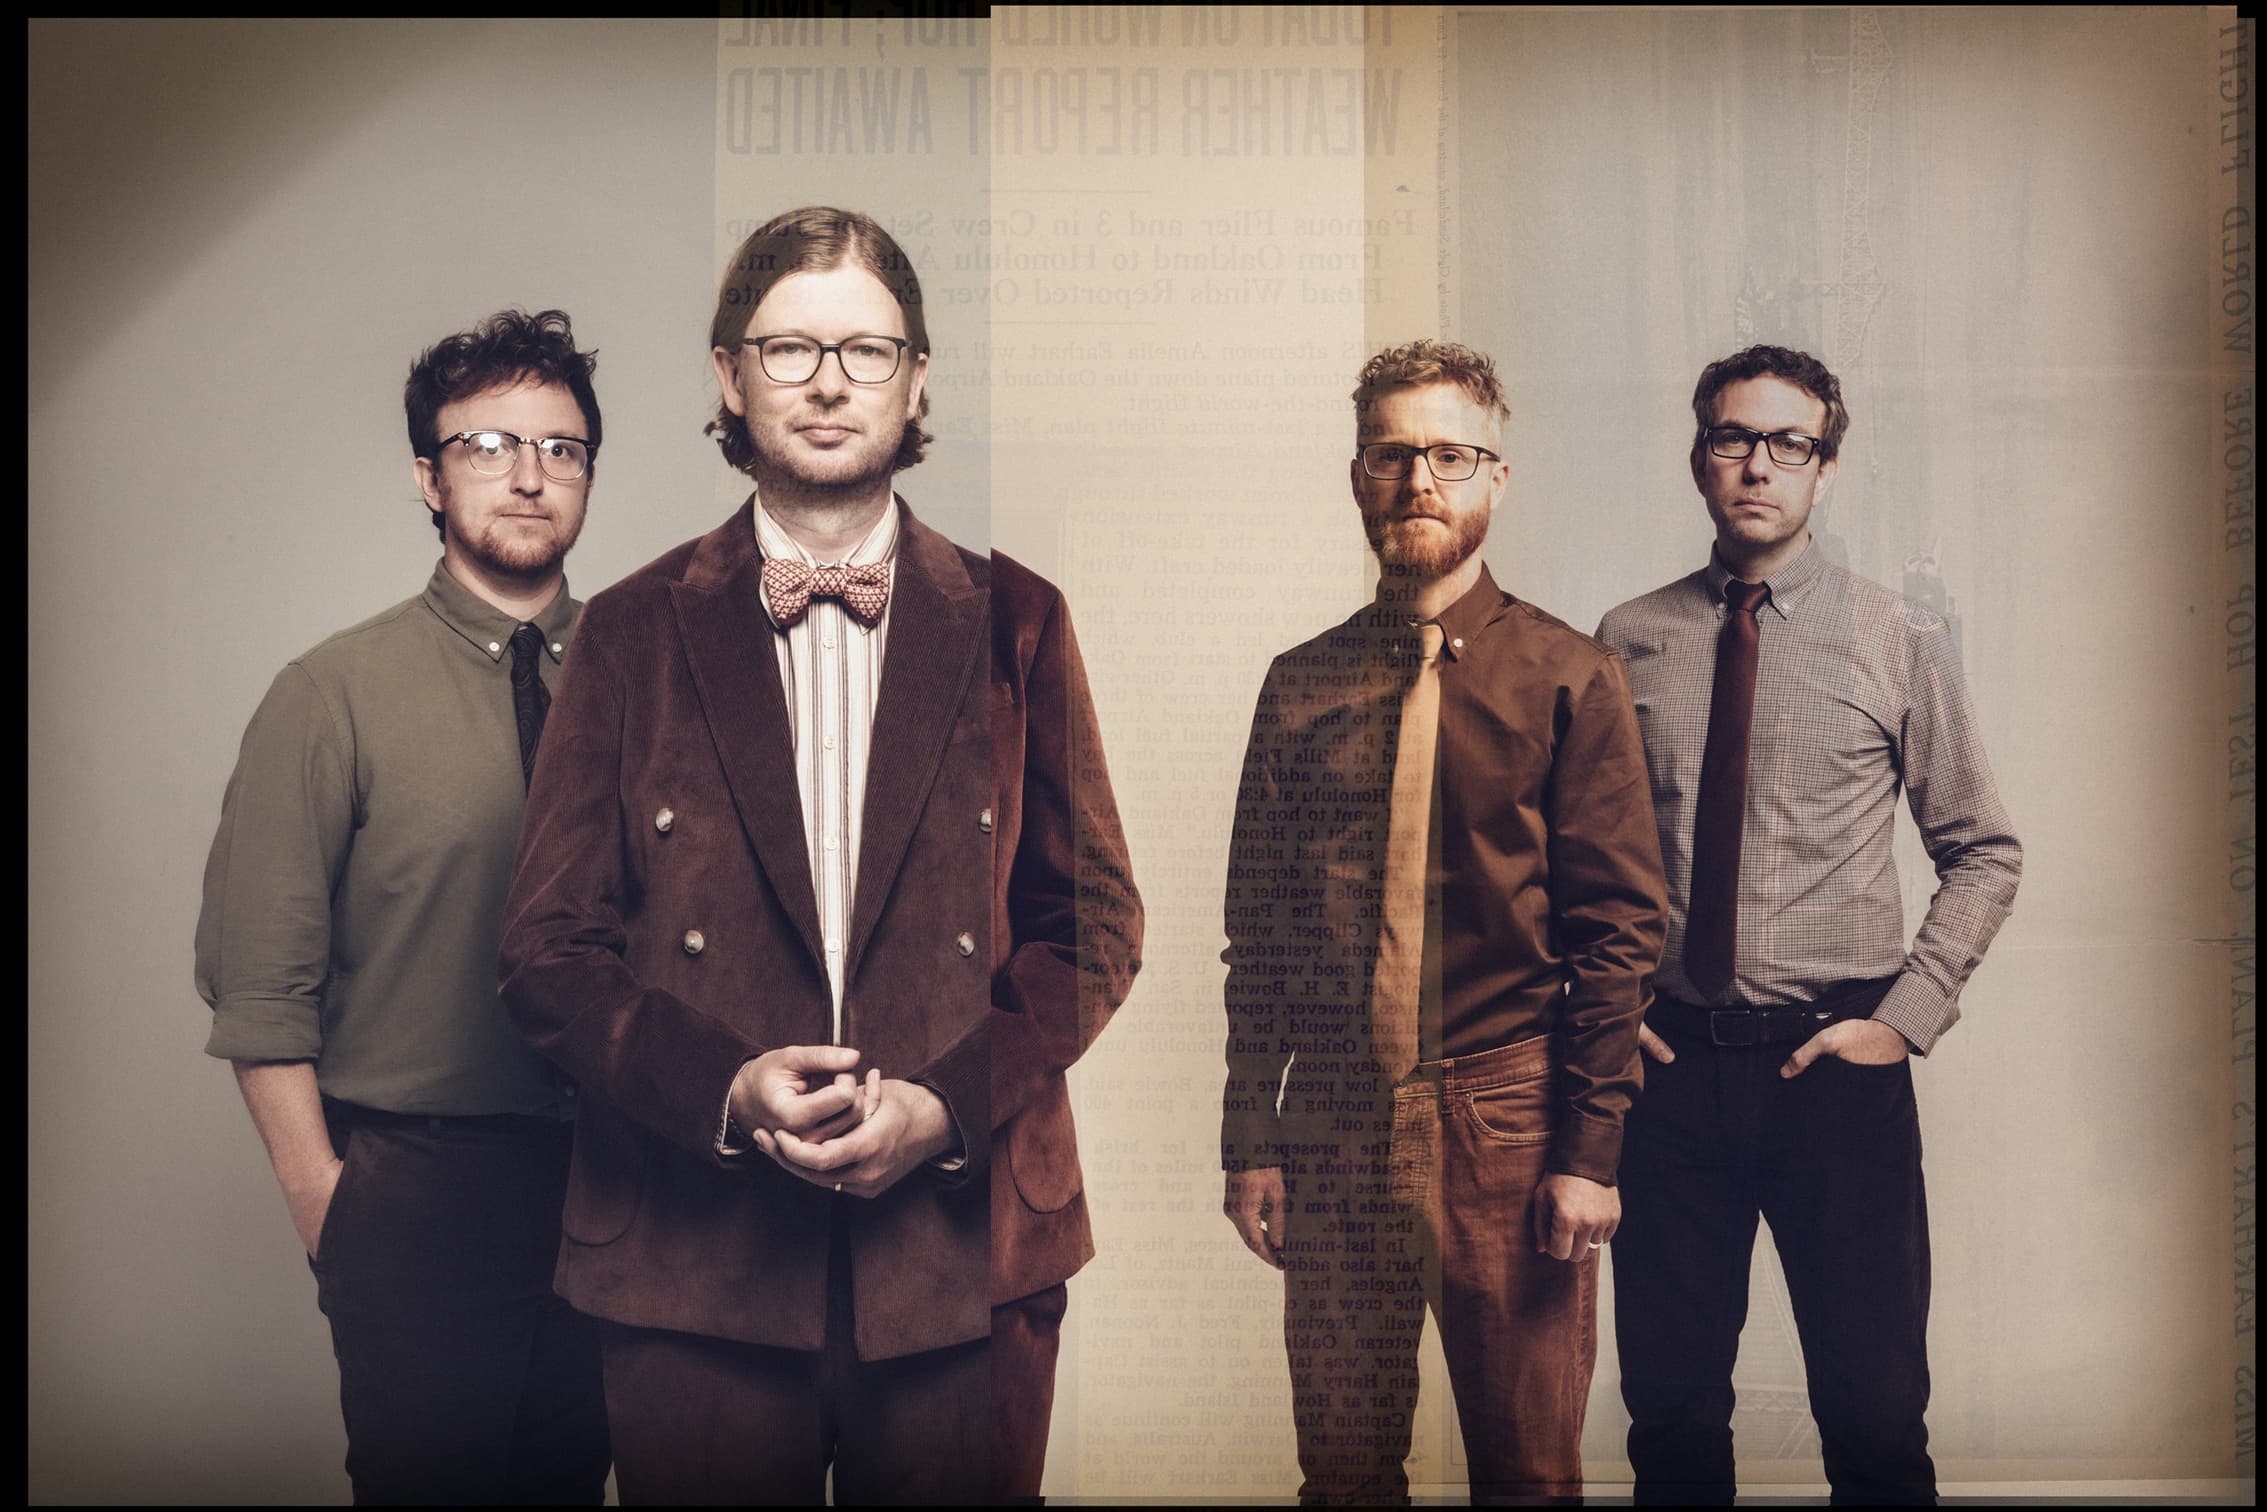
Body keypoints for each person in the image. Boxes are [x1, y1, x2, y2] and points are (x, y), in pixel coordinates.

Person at [499, 205, 1140, 1504]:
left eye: (865, 347)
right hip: (691, 1262)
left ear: (915, 382)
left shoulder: (1018, 618)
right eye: (790, 349)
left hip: (965, 1257)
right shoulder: (626, 631)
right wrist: (723, 1091)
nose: (831, 381)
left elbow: (1091, 930)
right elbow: (545, 950)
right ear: (728, 378)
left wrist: (944, 1105)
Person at [1220, 339, 1667, 1504]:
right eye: (1391, 455)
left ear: (1494, 479)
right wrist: (1250, 1139)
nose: (1419, 480)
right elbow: (1257, 934)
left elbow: (1619, 938)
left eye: (1449, 455)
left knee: (1524, 1475)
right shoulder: (1299, 683)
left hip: (1505, 1119)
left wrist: (1588, 1155)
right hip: (1326, 1119)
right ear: (1358, 476)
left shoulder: (1570, 676)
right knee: (1346, 1471)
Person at [194, 309, 611, 1504]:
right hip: (421, 1194)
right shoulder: (330, 694)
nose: (530, 476)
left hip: (621, 1189)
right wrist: (332, 1213)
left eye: (562, 447)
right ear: (426, 476)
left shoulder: (647, 678)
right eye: (487, 445)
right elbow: (258, 981)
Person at [1596, 344, 2023, 1506]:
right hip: (1670, 1072)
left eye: (1789, 444)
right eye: (1733, 438)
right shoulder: (1625, 639)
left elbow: (1982, 846)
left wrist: (1902, 1017)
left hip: (1833, 1071)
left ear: (1824, 470)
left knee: (1875, 1417)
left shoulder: (1896, 637)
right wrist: (1606, 1015)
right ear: (1698, 460)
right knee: (1671, 1421)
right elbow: (1576, 860)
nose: (1758, 466)